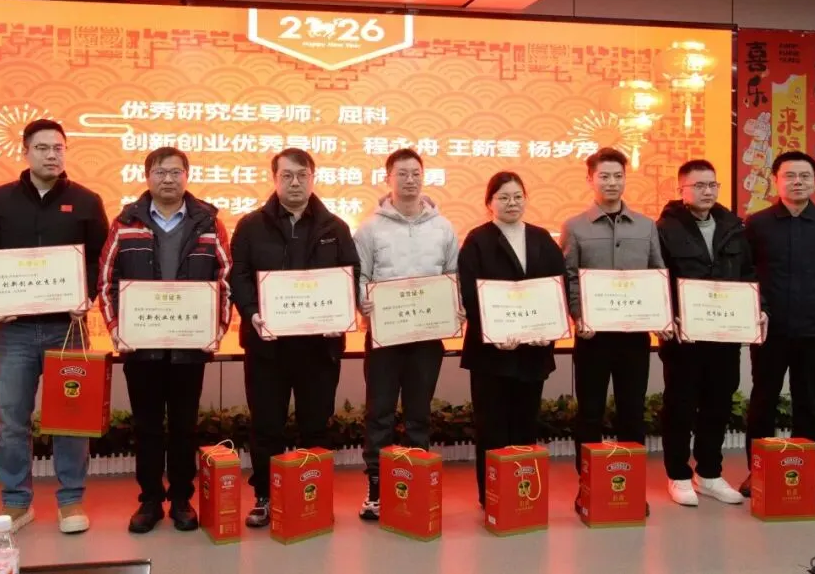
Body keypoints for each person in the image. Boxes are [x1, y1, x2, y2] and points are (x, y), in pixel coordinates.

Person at [0, 119, 109, 536]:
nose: (52, 155)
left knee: (71, 417)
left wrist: (87, 296)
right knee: (13, 419)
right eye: (43, 147)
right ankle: (16, 502)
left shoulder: (86, 201)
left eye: (58, 148)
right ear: (25, 151)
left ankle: (71, 499)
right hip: (14, 332)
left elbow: (101, 259)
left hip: (68, 329)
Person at [96, 146, 231, 534]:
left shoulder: (209, 223)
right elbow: (105, 282)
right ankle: (151, 500)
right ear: (147, 177)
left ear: (186, 176)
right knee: (148, 427)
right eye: (160, 172)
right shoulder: (125, 223)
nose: (168, 179)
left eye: (175, 172)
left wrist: (217, 330)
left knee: (185, 427)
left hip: (190, 347)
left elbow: (225, 280)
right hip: (141, 348)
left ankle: (183, 499)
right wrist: (116, 329)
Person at [229, 148, 360, 528]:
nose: (295, 183)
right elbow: (238, 276)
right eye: (287, 176)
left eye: (302, 175)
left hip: (319, 348)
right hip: (267, 347)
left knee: (315, 425)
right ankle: (265, 496)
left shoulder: (335, 228)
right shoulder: (251, 226)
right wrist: (252, 313)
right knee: (266, 425)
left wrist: (342, 313)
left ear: (312, 178)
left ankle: (311, 496)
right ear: (275, 179)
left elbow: (350, 275)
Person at [740, 151, 815, 506]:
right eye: (789, 175)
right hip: (769, 331)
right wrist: (760, 308)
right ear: (776, 180)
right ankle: (757, 472)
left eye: (805, 176)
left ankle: (804, 476)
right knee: (763, 401)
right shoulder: (756, 224)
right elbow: (747, 272)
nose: (797, 182)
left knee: (808, 403)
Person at [354, 149, 461, 521]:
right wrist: (363, 301)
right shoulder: (370, 228)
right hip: (384, 338)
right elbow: (360, 277)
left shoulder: (443, 227)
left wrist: (455, 304)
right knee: (379, 414)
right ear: (388, 179)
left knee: (418, 414)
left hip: (427, 338)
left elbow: (453, 275)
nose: (410, 180)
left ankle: (415, 485)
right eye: (402, 173)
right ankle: (376, 488)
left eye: (416, 173)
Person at [559, 146, 664, 514]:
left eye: (618, 176)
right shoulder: (575, 226)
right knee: (589, 413)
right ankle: (588, 486)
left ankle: (631, 487)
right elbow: (568, 277)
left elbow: (657, 274)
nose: (612, 182)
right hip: (593, 338)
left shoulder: (647, 226)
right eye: (604, 176)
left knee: (632, 412)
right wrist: (578, 316)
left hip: (634, 338)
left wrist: (661, 316)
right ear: (590, 179)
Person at [656, 159, 763, 507]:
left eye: (712, 185)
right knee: (681, 405)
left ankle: (709, 473)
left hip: (724, 334)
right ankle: (678, 474)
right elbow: (658, 278)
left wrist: (755, 308)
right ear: (681, 189)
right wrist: (668, 317)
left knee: (718, 403)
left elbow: (748, 274)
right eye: (699, 185)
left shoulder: (733, 227)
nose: (707, 191)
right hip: (684, 338)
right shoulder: (664, 229)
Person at [458, 171, 565, 508]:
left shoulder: (541, 238)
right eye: (503, 197)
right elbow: (469, 292)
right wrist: (493, 332)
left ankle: (522, 493)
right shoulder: (477, 240)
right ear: (489, 203)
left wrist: (548, 330)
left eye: (518, 196)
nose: (512, 203)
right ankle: (492, 496)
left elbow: (557, 287)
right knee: (491, 428)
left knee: (524, 425)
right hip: (491, 354)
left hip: (532, 352)